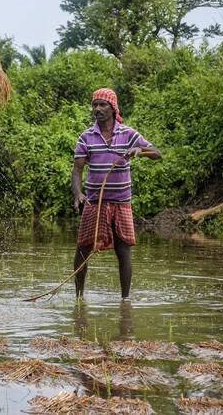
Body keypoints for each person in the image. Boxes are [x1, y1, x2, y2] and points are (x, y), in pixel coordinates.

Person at [71, 88, 161, 300]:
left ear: (113, 108)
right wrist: (78, 194)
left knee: (123, 251)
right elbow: (77, 170)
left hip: (121, 202)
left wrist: (140, 151)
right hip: (95, 202)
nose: (98, 109)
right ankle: (78, 298)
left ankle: (125, 300)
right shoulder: (86, 137)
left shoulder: (128, 134)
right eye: (95, 105)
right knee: (83, 249)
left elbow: (157, 154)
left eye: (103, 105)